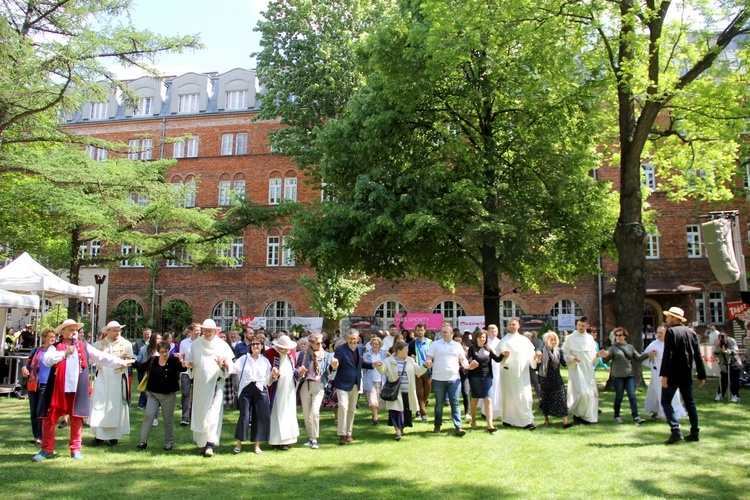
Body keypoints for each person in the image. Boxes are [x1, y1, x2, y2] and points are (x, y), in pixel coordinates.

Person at [33, 319, 134, 462]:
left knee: (77, 419)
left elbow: (102, 358)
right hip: (58, 389)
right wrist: (64, 353)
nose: (74, 332)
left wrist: (121, 362)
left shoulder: (83, 346)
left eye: (75, 330)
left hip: (77, 389)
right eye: (70, 330)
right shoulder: (55, 347)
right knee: (49, 419)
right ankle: (46, 449)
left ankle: (75, 449)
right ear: (63, 332)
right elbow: (47, 360)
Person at [185, 319, 235, 457]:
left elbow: (229, 367)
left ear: (215, 331)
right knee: (201, 414)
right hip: (200, 386)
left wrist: (222, 365)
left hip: (215, 385)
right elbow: (191, 362)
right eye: (205, 330)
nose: (207, 333)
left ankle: (210, 444)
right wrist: (189, 366)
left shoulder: (221, 345)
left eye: (210, 331)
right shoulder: (196, 344)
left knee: (213, 415)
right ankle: (202, 443)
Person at [660, 306, 707, 444]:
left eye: (668, 316)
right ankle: (694, 432)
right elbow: (697, 355)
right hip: (687, 373)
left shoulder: (671, 332)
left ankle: (675, 430)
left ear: (675, 318)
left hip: (673, 373)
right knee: (690, 403)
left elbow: (667, 354)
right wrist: (701, 375)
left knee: (666, 401)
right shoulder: (691, 333)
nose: (666, 319)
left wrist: (664, 375)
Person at [424, 323, 476, 436]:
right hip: (438, 379)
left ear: (452, 334)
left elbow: (463, 361)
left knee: (455, 402)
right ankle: (437, 425)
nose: (443, 334)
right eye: (442, 332)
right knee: (439, 403)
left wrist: (469, 366)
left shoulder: (457, 346)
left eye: (445, 332)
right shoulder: (435, 344)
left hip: (454, 379)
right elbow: (429, 358)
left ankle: (458, 426)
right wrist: (428, 362)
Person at [90, 321, 134, 446]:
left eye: (118, 330)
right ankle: (99, 435)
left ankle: (114, 436)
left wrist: (127, 359)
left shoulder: (126, 344)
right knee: (100, 404)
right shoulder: (99, 344)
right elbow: (91, 358)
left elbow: (132, 360)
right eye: (114, 330)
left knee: (115, 405)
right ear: (108, 331)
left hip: (117, 377)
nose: (117, 333)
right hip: (103, 377)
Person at [331, 329, 378, 445]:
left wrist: (372, 365)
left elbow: (359, 364)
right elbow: (335, 365)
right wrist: (334, 365)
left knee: (351, 409)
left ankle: (349, 433)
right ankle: (342, 434)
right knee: (343, 407)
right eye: (350, 338)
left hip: (356, 383)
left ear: (358, 339)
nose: (352, 341)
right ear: (346, 338)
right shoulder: (340, 349)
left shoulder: (360, 348)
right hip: (342, 383)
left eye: (354, 339)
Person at [137, 341, 186, 450]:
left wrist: (183, 362)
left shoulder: (173, 361)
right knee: (149, 416)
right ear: (158, 352)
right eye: (162, 352)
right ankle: (142, 442)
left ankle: (169, 443)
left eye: (166, 351)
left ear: (169, 350)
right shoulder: (153, 360)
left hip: (168, 395)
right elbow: (142, 367)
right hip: (153, 394)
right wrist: (131, 360)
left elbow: (182, 368)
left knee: (168, 419)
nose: (164, 354)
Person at [376, 341, 428, 440]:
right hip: (395, 392)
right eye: (405, 350)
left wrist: (424, 366)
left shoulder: (410, 360)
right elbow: (382, 370)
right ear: (399, 351)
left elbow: (418, 371)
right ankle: (398, 431)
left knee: (405, 412)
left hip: (407, 392)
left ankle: (401, 428)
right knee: (395, 412)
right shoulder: (388, 360)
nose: (407, 351)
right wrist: (379, 365)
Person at [599, 327, 650, 424]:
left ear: (625, 336)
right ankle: (617, 416)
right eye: (616, 335)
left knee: (632, 395)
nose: (618, 337)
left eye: (620, 335)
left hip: (629, 375)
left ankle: (636, 416)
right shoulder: (613, 348)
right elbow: (606, 360)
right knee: (619, 396)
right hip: (617, 376)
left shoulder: (630, 347)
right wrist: (603, 355)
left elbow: (638, 358)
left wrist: (648, 354)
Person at [497, 318, 539, 430]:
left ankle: (527, 421)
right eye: (510, 325)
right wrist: (503, 355)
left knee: (524, 396)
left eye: (514, 324)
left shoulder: (524, 340)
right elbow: (499, 357)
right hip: (509, 372)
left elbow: (531, 356)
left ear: (518, 326)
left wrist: (535, 358)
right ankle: (508, 419)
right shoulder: (504, 340)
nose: (511, 326)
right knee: (509, 397)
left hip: (522, 373)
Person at [233, 334, 271, 454]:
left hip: (260, 389)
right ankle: (239, 443)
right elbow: (232, 369)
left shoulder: (265, 361)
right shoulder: (244, 359)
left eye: (257, 344)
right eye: (253, 344)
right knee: (244, 416)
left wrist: (273, 376)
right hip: (246, 389)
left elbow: (268, 380)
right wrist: (223, 364)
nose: (255, 346)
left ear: (262, 346)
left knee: (259, 417)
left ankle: (257, 444)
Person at [264, 334, 301, 450]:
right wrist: (272, 375)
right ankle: (275, 440)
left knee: (288, 412)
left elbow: (293, 370)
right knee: (276, 412)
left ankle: (287, 440)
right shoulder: (269, 353)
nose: (285, 350)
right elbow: (265, 371)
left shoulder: (292, 354)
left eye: (287, 348)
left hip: (289, 388)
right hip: (276, 388)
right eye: (282, 348)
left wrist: (299, 373)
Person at [21, 328, 57, 446]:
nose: (52, 339)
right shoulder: (36, 351)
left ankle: (41, 436)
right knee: (33, 411)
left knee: (41, 411)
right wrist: (24, 369)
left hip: (46, 384)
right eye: (50, 336)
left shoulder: (54, 352)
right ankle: (36, 435)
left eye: (54, 337)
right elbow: (28, 364)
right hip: (34, 383)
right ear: (44, 337)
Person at [296, 332, 331, 449]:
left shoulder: (326, 355)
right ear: (311, 343)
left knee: (315, 412)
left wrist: (333, 367)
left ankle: (314, 438)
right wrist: (300, 371)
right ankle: (310, 437)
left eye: (322, 342)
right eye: (318, 343)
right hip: (306, 384)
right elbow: (297, 369)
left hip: (319, 385)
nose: (320, 345)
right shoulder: (304, 354)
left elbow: (328, 371)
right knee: (306, 414)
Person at [643, 326, 686, 420]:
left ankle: (674, 412)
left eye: (661, 333)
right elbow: (645, 358)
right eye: (657, 332)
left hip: (670, 373)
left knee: (673, 394)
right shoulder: (653, 344)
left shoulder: (672, 344)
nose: (658, 335)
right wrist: (651, 356)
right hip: (657, 372)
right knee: (657, 393)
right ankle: (656, 412)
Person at [562, 318, 600, 424]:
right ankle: (577, 414)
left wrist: (598, 355)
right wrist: (572, 359)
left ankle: (587, 416)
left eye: (583, 325)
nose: (580, 327)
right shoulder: (570, 338)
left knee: (590, 393)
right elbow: (565, 353)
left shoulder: (590, 338)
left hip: (588, 370)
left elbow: (592, 354)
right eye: (579, 325)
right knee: (582, 393)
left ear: (587, 326)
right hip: (577, 368)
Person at [466, 329, 505, 431]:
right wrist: (472, 363)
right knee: (475, 399)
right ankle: (473, 421)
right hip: (475, 378)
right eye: (480, 337)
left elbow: (497, 359)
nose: (482, 339)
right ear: (476, 338)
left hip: (487, 377)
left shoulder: (487, 348)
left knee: (488, 399)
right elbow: (469, 360)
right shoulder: (472, 348)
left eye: (484, 337)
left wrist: (503, 354)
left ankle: (490, 425)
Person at [538, 331, 572, 428]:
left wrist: (572, 360)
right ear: (546, 340)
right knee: (546, 399)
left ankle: (565, 422)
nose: (553, 341)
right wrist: (537, 357)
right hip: (545, 378)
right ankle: (546, 420)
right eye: (551, 340)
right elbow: (537, 363)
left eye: (554, 340)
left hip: (556, 377)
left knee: (561, 397)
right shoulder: (541, 350)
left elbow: (564, 363)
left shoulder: (559, 351)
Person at [408, 323, 432, 423]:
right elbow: (408, 355)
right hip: (417, 371)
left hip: (428, 371)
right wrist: (412, 357)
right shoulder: (412, 343)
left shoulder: (430, 343)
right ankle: (423, 414)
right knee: (419, 393)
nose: (419, 332)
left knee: (427, 393)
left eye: (421, 330)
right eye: (418, 330)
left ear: (425, 331)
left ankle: (420, 407)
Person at [178, 323, 201, 426]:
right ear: (190, 331)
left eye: (199, 330)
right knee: (185, 393)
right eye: (196, 330)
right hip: (186, 371)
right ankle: (185, 417)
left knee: (197, 394)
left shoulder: (202, 342)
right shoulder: (184, 343)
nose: (198, 332)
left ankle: (195, 417)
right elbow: (182, 356)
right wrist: (182, 361)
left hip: (198, 371)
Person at [363, 336, 386, 424]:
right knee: (373, 399)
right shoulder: (367, 354)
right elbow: (364, 368)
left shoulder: (383, 354)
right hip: (370, 379)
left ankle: (374, 413)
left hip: (381, 379)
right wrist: (365, 363)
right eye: (373, 344)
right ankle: (375, 417)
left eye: (376, 344)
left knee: (378, 399)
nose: (374, 345)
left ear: (380, 345)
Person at [714, 332, 741, 403]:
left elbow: (736, 351)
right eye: (721, 339)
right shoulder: (717, 342)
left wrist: (727, 351)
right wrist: (718, 347)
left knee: (734, 381)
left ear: (726, 337)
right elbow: (715, 354)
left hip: (733, 363)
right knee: (723, 380)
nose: (723, 341)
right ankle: (720, 394)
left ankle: (735, 395)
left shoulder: (731, 341)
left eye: (724, 339)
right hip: (723, 364)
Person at [133, 328, 152, 410]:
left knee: (150, 386)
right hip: (141, 367)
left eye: (148, 334)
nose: (147, 336)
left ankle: (147, 403)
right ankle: (141, 403)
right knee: (142, 384)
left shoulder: (153, 342)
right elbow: (134, 353)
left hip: (151, 367)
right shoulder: (138, 343)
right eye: (145, 334)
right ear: (142, 334)